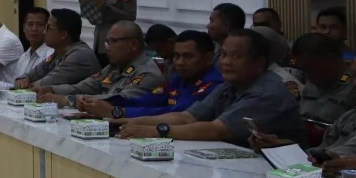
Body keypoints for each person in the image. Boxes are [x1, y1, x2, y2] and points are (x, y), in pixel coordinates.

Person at [116, 28, 302, 144]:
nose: (226, 62)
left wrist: (155, 131)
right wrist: (125, 121)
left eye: (236, 56)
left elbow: (216, 130)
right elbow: (186, 117)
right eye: (224, 55)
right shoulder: (231, 83)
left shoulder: (266, 93)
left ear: (259, 63)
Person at [77, 29, 222, 122]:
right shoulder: (179, 79)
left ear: (208, 58)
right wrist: (105, 103)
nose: (180, 62)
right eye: (176, 56)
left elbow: (176, 112)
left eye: (188, 56)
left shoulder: (214, 84)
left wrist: (117, 112)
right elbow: (149, 100)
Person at [38, 21, 164, 105]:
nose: (107, 48)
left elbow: (118, 100)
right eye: (107, 42)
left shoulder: (148, 73)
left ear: (134, 44)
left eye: (113, 41)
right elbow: (87, 86)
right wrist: (53, 89)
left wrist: (69, 100)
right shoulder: (113, 67)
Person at [14, 9, 99, 89]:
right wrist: (23, 79)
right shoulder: (59, 52)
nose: (44, 32)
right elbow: (34, 74)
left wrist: (27, 84)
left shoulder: (80, 55)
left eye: (48, 28)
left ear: (63, 34)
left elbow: (46, 83)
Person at [292, 32, 355, 127]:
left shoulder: (355, 86)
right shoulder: (312, 82)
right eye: (303, 70)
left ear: (330, 59)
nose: (308, 77)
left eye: (309, 69)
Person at [5, 7, 54, 84]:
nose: (34, 29)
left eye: (40, 25)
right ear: (24, 28)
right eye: (30, 24)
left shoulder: (51, 55)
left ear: (47, 28)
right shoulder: (23, 57)